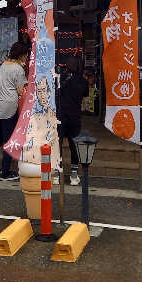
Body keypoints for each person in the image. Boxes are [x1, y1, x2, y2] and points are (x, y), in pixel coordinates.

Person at [0, 41, 29, 181]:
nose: (27, 57)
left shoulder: (2, 64)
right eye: (26, 55)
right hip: (9, 106)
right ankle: (5, 172)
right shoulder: (19, 69)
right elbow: (20, 90)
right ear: (22, 55)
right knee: (9, 139)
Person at [57, 56, 89, 185]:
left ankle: (56, 173)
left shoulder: (61, 78)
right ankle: (74, 175)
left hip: (60, 116)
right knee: (74, 145)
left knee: (57, 144)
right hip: (75, 116)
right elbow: (85, 97)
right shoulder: (83, 81)